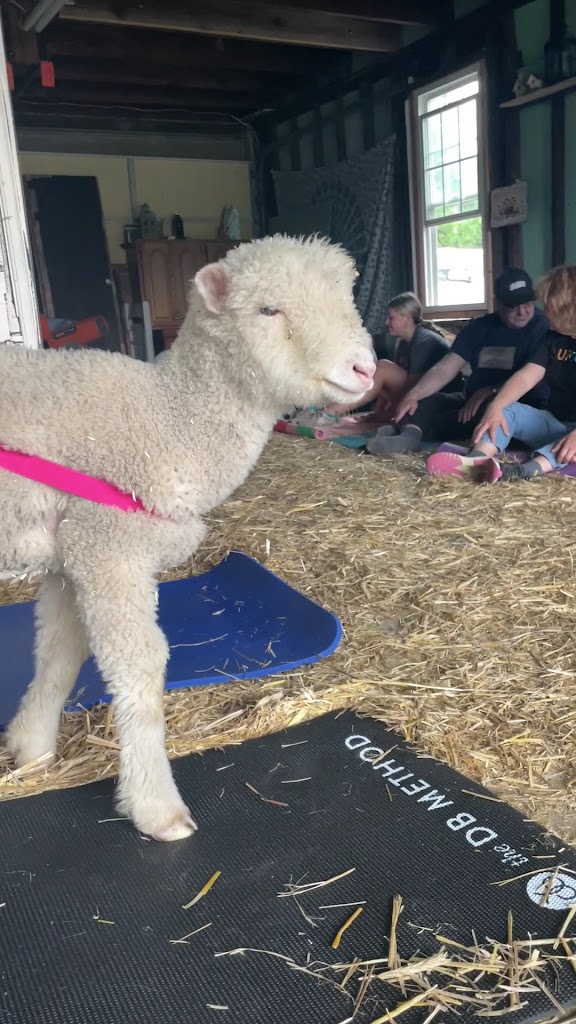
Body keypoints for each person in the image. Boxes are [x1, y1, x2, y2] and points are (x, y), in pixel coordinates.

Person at [366, 268, 550, 456]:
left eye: (527, 304)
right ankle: (408, 437)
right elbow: (447, 367)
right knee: (423, 400)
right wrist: (415, 393)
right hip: (470, 398)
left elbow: (530, 375)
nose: (522, 312)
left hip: (515, 402)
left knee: (477, 415)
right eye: (513, 306)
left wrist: (489, 392)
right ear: (498, 304)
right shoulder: (479, 327)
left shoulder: (543, 326)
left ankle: (408, 431)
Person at [426, 265, 576, 483]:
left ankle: (519, 472)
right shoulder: (552, 337)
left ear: (567, 308)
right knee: (507, 410)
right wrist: (496, 407)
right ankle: (475, 462)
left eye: (549, 306)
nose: (544, 312)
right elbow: (527, 376)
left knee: (565, 445)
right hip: (555, 423)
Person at [330, 291, 457, 422]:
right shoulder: (402, 343)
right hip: (417, 391)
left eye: (391, 318)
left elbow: (411, 389)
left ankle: (330, 412)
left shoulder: (424, 341)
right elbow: (386, 384)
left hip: (441, 397)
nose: (386, 322)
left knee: (383, 367)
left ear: (406, 319)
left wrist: (382, 419)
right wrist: (377, 413)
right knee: (378, 373)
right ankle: (333, 410)